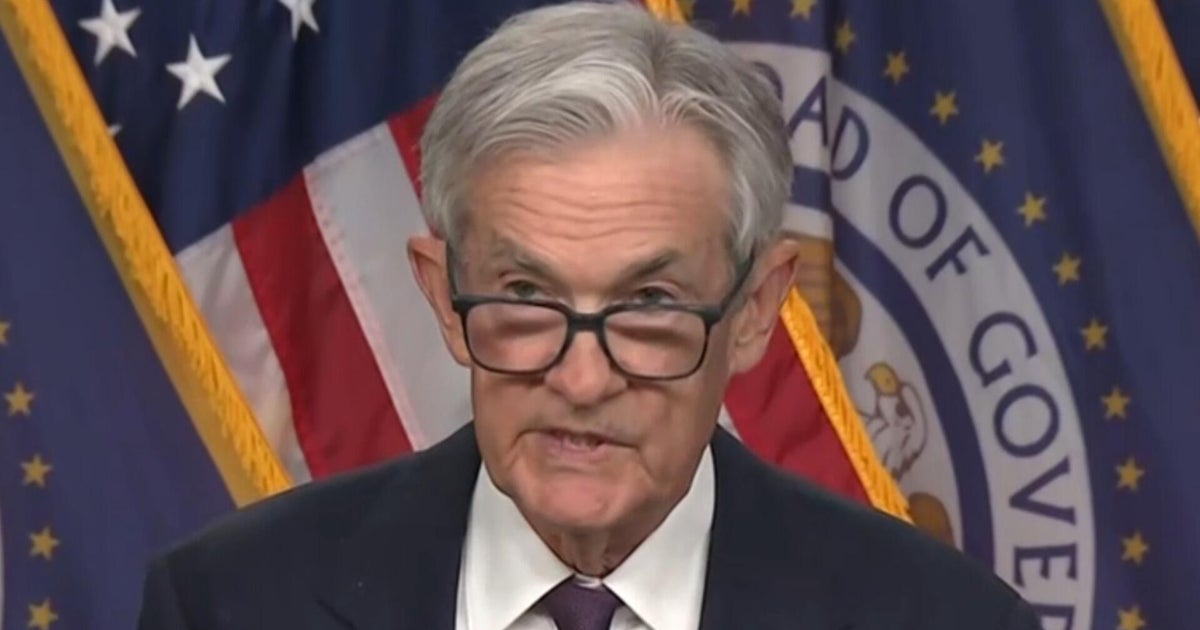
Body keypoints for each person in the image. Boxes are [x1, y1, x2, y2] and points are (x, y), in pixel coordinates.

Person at [137, 2, 1043, 629]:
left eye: (648, 305)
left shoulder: (943, 622)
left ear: (756, 311)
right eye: (526, 297)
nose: (580, 379)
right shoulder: (229, 606)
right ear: (443, 296)